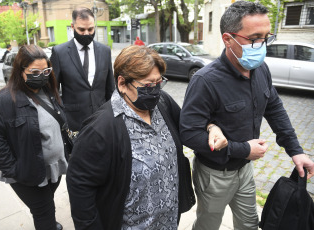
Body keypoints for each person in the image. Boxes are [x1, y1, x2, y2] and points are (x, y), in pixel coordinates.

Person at [179, 1, 314, 230]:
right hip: (215, 175)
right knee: (208, 225)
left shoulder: (261, 69)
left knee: (250, 224)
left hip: (245, 170)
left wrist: (296, 151)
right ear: (227, 39)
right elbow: (189, 134)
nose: (262, 45)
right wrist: (243, 149)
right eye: (254, 38)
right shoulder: (205, 81)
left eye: (266, 37)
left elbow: (274, 109)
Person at [66, 45, 227, 229]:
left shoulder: (163, 103)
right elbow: (80, 186)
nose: (155, 90)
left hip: (168, 221)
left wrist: (211, 127)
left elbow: (188, 124)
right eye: (148, 85)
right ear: (122, 84)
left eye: (159, 82)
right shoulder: (100, 129)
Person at [0, 45, 69, 230]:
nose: (42, 75)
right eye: (35, 71)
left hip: (52, 169)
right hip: (27, 175)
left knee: (46, 205)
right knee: (43, 212)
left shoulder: (49, 91)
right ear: (21, 70)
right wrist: (14, 170)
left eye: (46, 70)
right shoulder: (3, 101)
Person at [50, 8, 115, 131]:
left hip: (102, 120)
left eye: (90, 29)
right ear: (72, 26)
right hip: (73, 123)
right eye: (82, 29)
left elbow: (110, 88)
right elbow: (53, 91)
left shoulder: (105, 51)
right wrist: (61, 118)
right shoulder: (59, 52)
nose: (86, 33)